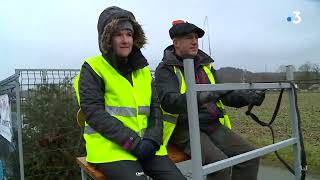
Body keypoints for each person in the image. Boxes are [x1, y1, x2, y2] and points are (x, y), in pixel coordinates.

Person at [73, 7, 185, 180]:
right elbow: (94, 113)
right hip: (111, 150)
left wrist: (153, 140)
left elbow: (155, 108)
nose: (125, 40)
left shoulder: (143, 71)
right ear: (107, 39)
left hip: (147, 145)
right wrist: (132, 143)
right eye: (118, 34)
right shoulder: (92, 68)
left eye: (129, 34)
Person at [155, 20, 265, 180]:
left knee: (250, 157)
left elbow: (223, 93)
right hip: (183, 127)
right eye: (189, 37)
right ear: (176, 43)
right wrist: (201, 96)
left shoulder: (205, 66)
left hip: (210, 123)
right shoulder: (165, 70)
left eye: (196, 38)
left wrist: (246, 97)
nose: (194, 42)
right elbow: (169, 102)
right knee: (220, 166)